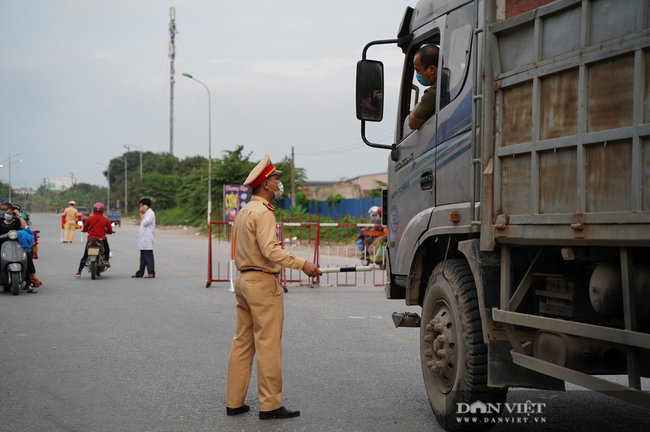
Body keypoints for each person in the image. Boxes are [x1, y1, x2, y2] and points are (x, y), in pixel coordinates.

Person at [226, 154, 322, 420]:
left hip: (243, 280)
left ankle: (234, 402)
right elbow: (270, 251)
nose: (279, 183)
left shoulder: (244, 211)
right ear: (266, 184)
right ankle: (270, 405)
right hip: (261, 283)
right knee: (267, 344)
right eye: (276, 178)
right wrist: (302, 264)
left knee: (242, 342)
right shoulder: (264, 212)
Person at [0, 202, 37, 293]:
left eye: (10, 214)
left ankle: (28, 285)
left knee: (26, 259)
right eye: (6, 213)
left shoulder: (17, 222)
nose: (7, 215)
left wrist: (19, 215)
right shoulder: (0, 221)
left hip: (16, 244)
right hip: (2, 244)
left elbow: (25, 227)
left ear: (14, 215)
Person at [75, 203, 113, 277]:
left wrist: (84, 230)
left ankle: (79, 271)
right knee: (107, 249)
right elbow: (110, 231)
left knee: (85, 255)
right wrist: (110, 232)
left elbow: (85, 229)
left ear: (94, 210)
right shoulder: (105, 219)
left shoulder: (90, 218)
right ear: (103, 210)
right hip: (102, 239)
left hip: (91, 239)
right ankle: (106, 261)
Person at [408, 45, 439, 130]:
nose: (418, 75)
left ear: (431, 69)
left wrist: (418, 104)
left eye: (418, 70)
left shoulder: (433, 92)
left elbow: (412, 123)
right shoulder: (449, 81)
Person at [131, 198, 155, 278]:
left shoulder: (150, 213)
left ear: (145, 205)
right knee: (143, 258)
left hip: (147, 239)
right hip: (144, 239)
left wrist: (141, 214)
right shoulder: (146, 213)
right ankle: (139, 273)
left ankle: (151, 272)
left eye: (141, 205)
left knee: (148, 257)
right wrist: (142, 214)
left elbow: (145, 223)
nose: (140, 207)